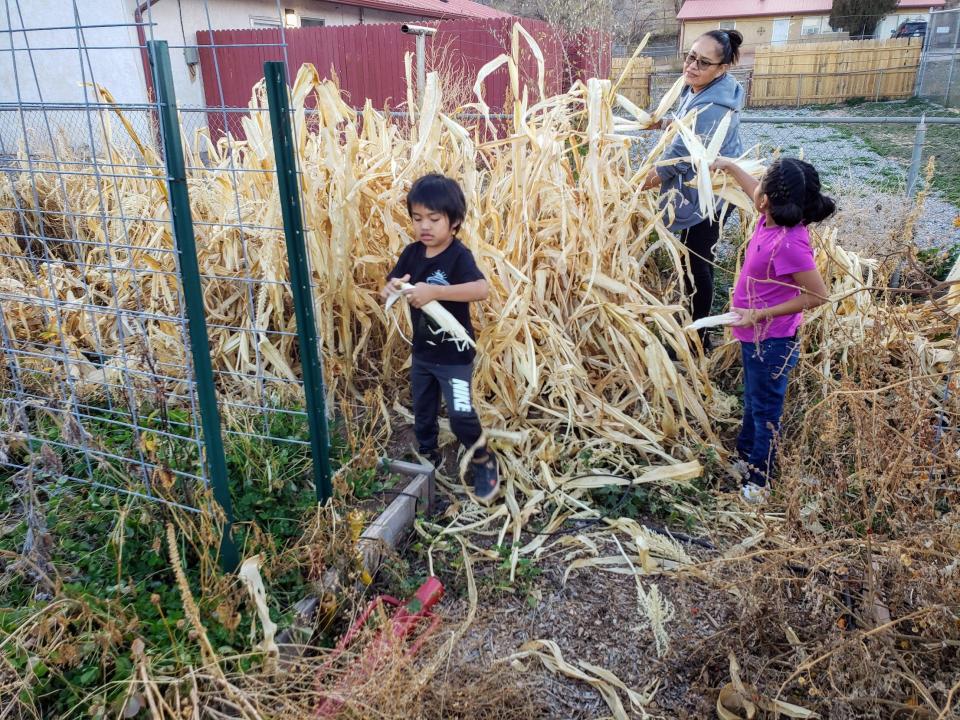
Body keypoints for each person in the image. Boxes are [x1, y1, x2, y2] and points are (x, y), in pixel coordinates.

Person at [709, 157, 835, 504]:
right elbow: (752, 189)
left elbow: (817, 295)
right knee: (753, 399)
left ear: (769, 199)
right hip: (754, 337)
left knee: (765, 409)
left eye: (762, 185)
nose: (756, 189)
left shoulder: (789, 243)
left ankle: (759, 481)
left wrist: (759, 313)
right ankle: (746, 457)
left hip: (773, 340)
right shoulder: (770, 218)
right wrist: (729, 166)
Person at [380, 173, 500, 503]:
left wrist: (436, 291)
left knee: (460, 414)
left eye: (434, 219)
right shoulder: (412, 253)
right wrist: (391, 288)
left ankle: (482, 459)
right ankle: (428, 455)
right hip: (423, 355)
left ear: (455, 221)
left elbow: (481, 289)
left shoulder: (458, 256)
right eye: (418, 219)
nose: (425, 227)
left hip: (455, 357)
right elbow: (393, 281)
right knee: (422, 410)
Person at [644, 30, 746, 345]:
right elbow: (686, 120)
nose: (691, 66)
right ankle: (690, 321)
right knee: (691, 256)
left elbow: (676, 162)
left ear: (722, 68)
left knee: (698, 261)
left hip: (711, 194)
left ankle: (697, 338)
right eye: (690, 57)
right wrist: (663, 122)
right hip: (699, 186)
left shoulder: (713, 106)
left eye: (703, 63)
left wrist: (631, 187)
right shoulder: (704, 87)